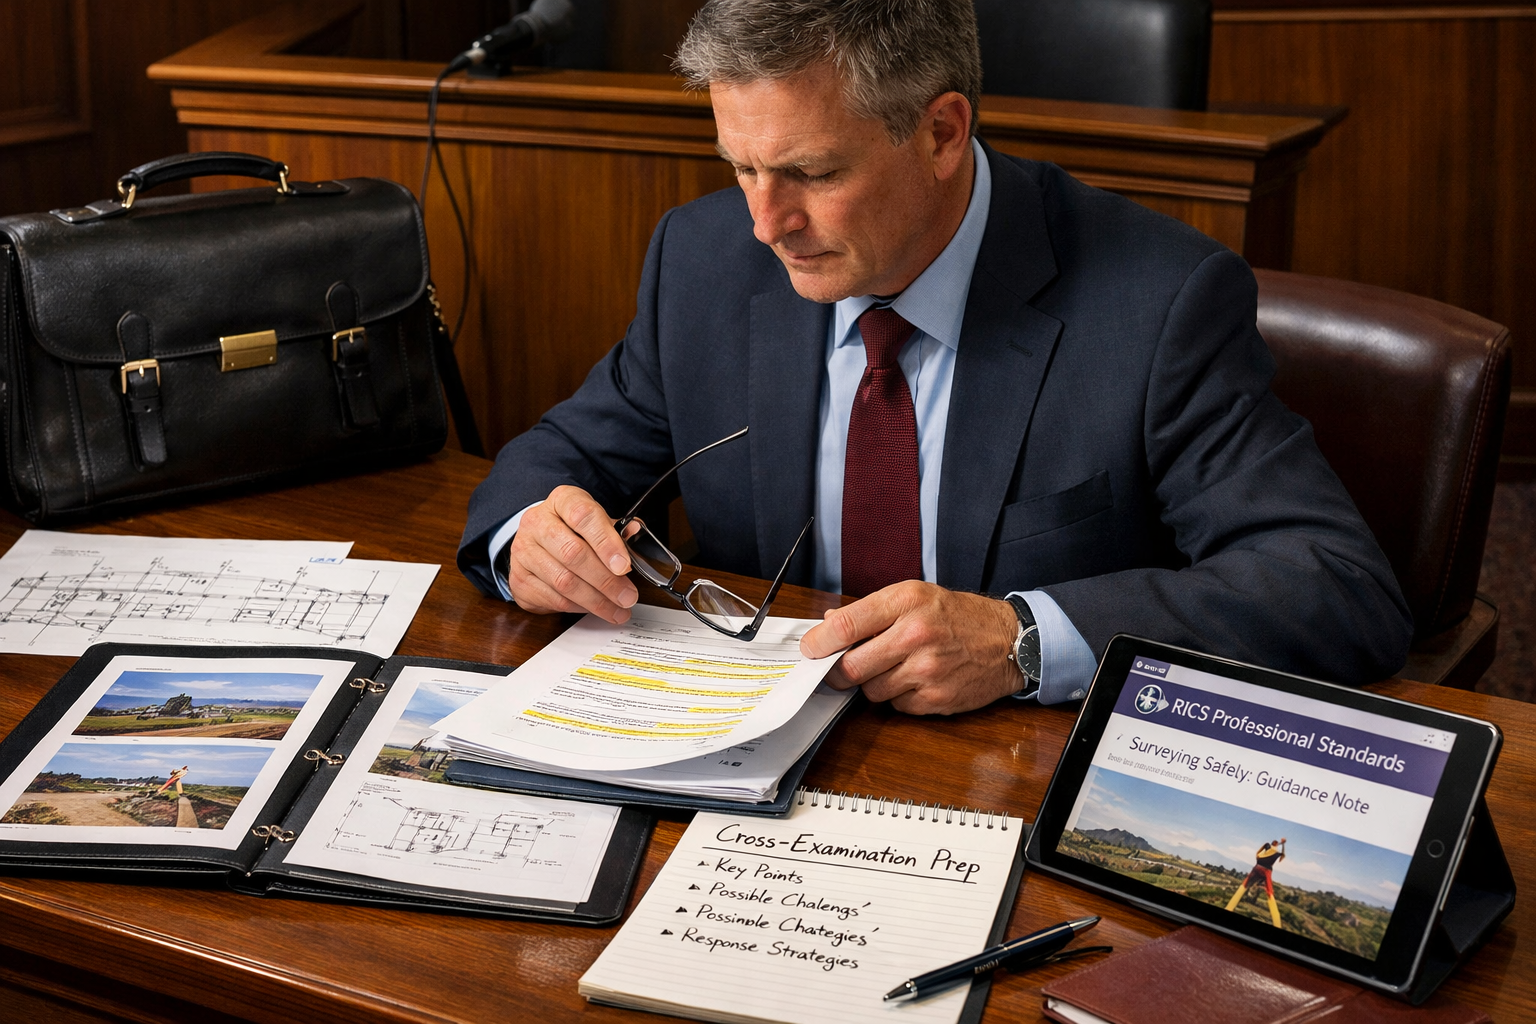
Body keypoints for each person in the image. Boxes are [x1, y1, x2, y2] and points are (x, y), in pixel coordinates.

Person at [457, 0, 1411, 714]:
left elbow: (1334, 583)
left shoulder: (1158, 303)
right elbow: (556, 461)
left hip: (1013, 780)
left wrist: (1026, 639)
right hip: (743, 755)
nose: (766, 222)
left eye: (815, 174)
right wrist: (533, 539)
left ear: (943, 132)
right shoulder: (702, 263)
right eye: (741, 168)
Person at [1226, 838, 1288, 928]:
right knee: (1270, 894)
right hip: (1267, 871)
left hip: (1257, 867)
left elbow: (1262, 851)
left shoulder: (1267, 847)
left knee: (1243, 886)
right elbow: (1282, 855)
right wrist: (1283, 844)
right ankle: (1277, 925)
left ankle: (1229, 908)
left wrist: (1280, 844)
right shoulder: (1276, 853)